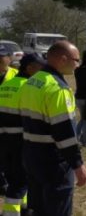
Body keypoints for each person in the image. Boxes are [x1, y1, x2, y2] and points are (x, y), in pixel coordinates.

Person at [19, 41, 86, 215]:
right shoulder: (57, 89)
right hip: (54, 162)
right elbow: (64, 133)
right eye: (76, 60)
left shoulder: (31, 82)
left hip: (31, 155)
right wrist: (78, 165)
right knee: (58, 208)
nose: (78, 64)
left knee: (38, 208)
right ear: (63, 59)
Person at [0, 53, 45, 216]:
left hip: (3, 140)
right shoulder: (29, 87)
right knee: (20, 180)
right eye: (40, 67)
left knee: (14, 177)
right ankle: (10, 213)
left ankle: (24, 207)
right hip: (21, 141)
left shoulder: (6, 85)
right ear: (30, 68)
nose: (43, 70)